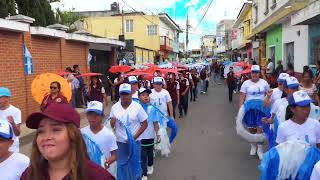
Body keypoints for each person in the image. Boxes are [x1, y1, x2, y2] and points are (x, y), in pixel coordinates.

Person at [21, 103, 115, 180]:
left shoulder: (98, 177)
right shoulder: (29, 175)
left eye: (56, 129)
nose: (46, 137)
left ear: (73, 135)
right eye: (41, 131)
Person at [110, 83, 148, 180]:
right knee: (122, 164)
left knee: (135, 163)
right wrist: (112, 122)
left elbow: (145, 124)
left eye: (127, 94)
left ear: (131, 94)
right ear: (119, 94)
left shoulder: (137, 107)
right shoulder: (115, 107)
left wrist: (133, 138)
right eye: (122, 94)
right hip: (120, 142)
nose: (124, 96)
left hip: (135, 141)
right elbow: (112, 125)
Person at [239, 65, 270, 160]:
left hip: (261, 109)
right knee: (251, 129)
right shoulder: (245, 83)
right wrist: (241, 109)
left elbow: (268, 95)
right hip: (249, 110)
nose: (255, 74)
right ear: (250, 73)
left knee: (260, 129)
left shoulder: (264, 82)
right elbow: (242, 97)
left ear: (259, 73)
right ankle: (253, 145)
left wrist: (268, 105)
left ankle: (260, 149)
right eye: (253, 72)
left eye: (256, 72)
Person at [81, 101, 117, 175]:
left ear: (102, 116)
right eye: (90, 114)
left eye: (96, 115)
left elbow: (115, 155)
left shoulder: (109, 135)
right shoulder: (82, 133)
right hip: (87, 171)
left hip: (102, 171)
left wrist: (107, 163)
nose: (92, 118)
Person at [138, 88, 160, 180]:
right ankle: (144, 173)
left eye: (147, 95)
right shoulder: (136, 108)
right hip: (140, 136)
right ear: (139, 97)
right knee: (142, 155)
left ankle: (150, 165)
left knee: (150, 153)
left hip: (150, 135)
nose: (146, 97)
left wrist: (158, 135)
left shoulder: (152, 108)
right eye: (143, 95)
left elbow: (155, 123)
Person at [0, 87, 21, 153]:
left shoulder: (16, 111)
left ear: (7, 98)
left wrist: (12, 123)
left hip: (12, 147)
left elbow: (17, 133)